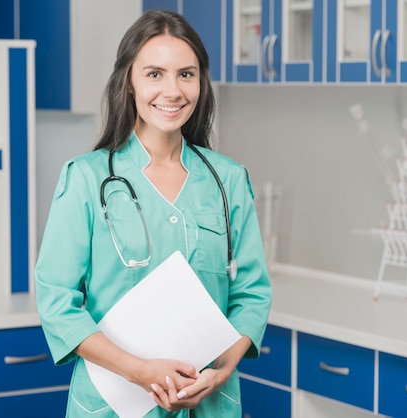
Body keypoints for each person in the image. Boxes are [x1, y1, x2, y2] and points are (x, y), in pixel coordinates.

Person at [35, 9, 272, 417]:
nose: (173, 90)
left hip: (210, 400)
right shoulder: (87, 179)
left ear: (201, 83)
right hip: (112, 405)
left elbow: (251, 295)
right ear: (128, 81)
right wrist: (138, 371)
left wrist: (220, 370)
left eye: (186, 74)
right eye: (154, 74)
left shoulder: (228, 181)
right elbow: (56, 301)